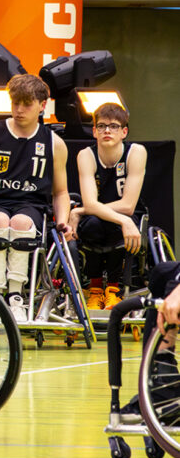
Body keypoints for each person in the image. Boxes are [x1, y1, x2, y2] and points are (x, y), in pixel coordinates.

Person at [0, 74, 72, 313]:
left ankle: (16, 297)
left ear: (42, 106)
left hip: (31, 206)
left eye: (26, 104)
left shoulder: (54, 143)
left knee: (22, 223)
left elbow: (61, 191)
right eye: (15, 103)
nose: (19, 109)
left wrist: (63, 220)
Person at [71, 103, 146, 310]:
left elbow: (128, 206)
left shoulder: (136, 152)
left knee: (114, 225)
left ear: (124, 132)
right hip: (99, 218)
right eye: (102, 126)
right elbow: (91, 203)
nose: (107, 130)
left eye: (113, 126)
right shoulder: (86, 155)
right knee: (93, 224)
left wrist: (80, 210)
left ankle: (114, 290)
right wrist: (89, 209)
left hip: (126, 216)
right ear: (94, 131)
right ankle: (95, 291)